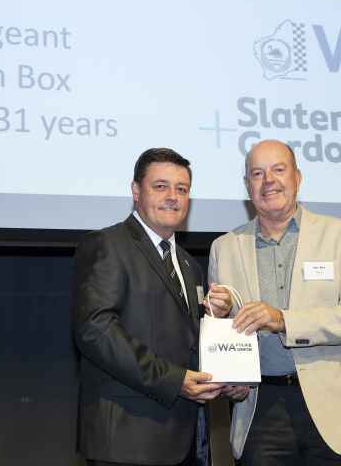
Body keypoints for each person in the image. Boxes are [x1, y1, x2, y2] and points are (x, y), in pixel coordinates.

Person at [205, 139, 341, 465]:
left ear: (297, 177)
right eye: (257, 173)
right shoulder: (224, 247)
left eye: (278, 169)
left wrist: (283, 320)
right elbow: (225, 333)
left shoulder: (340, 235)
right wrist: (231, 377)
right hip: (260, 411)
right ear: (247, 186)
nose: (268, 180)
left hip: (337, 407)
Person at [73, 148, 223, 466]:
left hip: (183, 439)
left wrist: (226, 373)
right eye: (160, 186)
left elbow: (187, 341)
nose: (172, 197)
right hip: (127, 440)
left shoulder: (189, 265)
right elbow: (96, 330)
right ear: (136, 191)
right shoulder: (108, 245)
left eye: (182, 189)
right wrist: (173, 380)